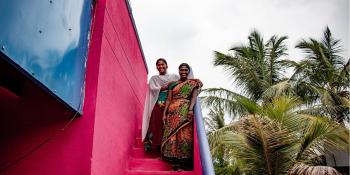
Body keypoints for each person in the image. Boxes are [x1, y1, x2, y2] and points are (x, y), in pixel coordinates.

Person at [161, 63, 203, 171]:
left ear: (188, 72)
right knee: (172, 137)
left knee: (184, 136)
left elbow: (193, 97)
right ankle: (174, 164)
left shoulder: (192, 83)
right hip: (172, 112)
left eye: (186, 70)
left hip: (184, 112)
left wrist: (190, 110)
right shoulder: (173, 84)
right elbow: (169, 100)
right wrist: (164, 114)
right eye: (181, 70)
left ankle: (183, 164)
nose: (183, 72)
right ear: (178, 71)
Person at [142, 58, 179, 152]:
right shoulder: (154, 79)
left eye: (162, 64)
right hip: (157, 104)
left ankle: (168, 149)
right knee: (155, 124)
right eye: (158, 65)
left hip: (171, 104)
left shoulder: (174, 76)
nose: (160, 66)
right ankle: (155, 147)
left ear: (167, 65)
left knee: (169, 125)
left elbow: (181, 84)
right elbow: (154, 89)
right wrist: (168, 85)